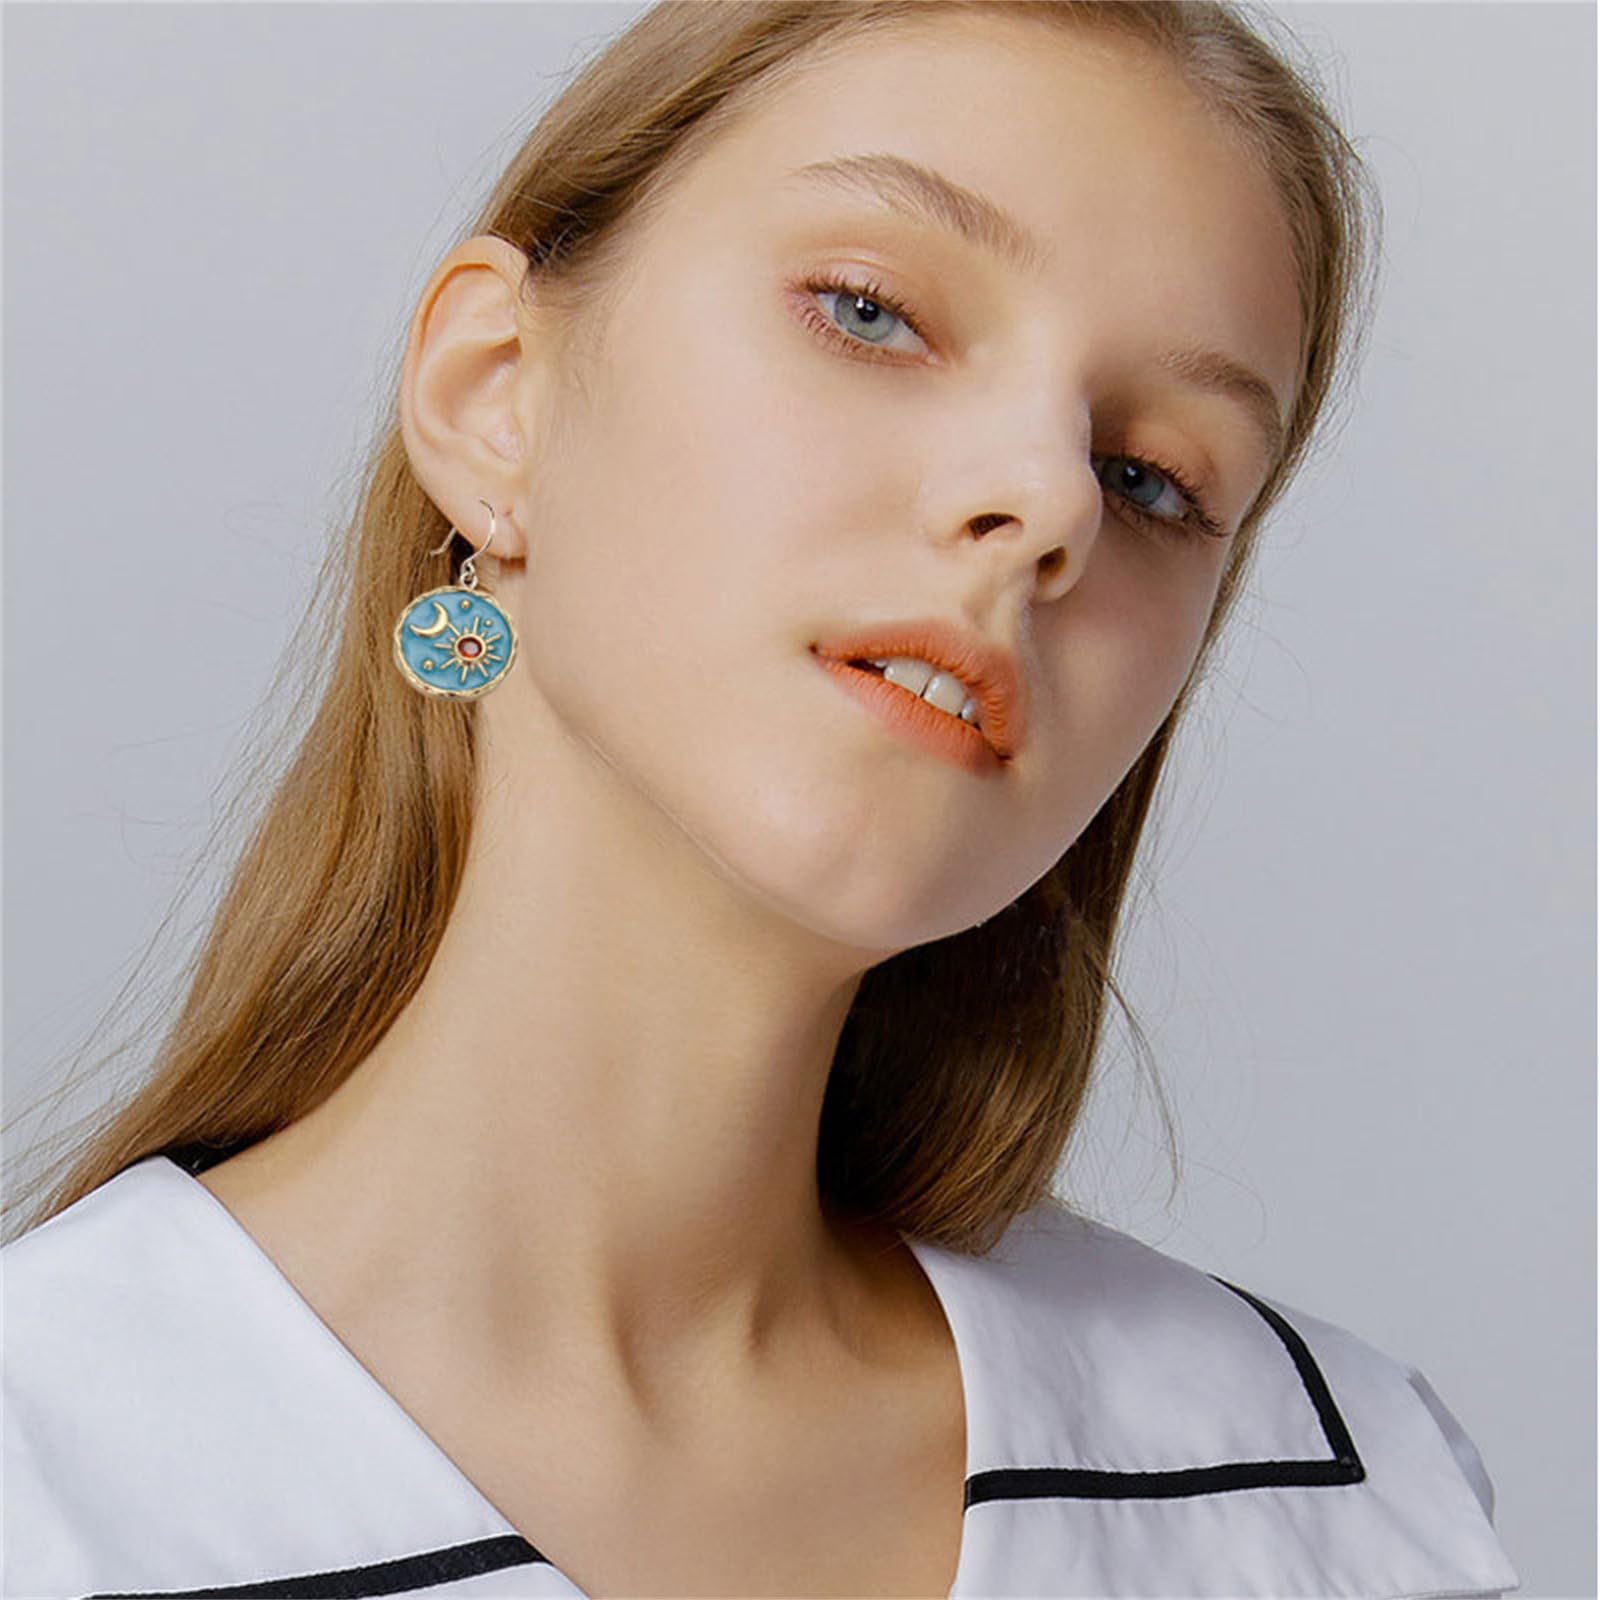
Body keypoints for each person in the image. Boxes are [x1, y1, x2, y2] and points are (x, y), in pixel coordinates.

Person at [1, 2, 1520, 1596]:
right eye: (872, 314)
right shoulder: (50, 1487)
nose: (1049, 500)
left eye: (1153, 477)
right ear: (493, 392)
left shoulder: (1354, 1504)